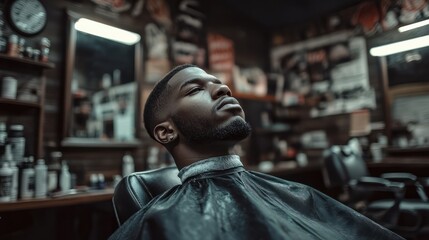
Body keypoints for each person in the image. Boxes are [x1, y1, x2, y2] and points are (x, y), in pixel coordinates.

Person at [109, 64, 404, 240]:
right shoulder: (157, 223)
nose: (224, 89)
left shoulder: (293, 192)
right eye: (195, 89)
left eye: (219, 83)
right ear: (166, 131)